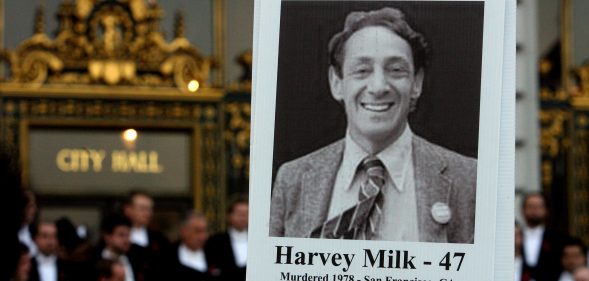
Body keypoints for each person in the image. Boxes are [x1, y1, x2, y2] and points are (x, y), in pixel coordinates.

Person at [270, 6, 476, 243]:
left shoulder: (468, 180)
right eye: (362, 70)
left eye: (396, 70)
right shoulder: (292, 179)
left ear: (416, 83)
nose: (378, 87)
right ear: (337, 83)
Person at [158, 211, 218, 281]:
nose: (203, 236)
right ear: (183, 231)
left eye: (205, 231)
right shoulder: (166, 256)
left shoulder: (216, 254)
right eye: (198, 231)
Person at [521, 193, 566, 281]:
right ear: (523, 210)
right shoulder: (516, 236)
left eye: (538, 207)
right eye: (530, 206)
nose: (534, 210)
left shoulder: (558, 238)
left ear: (546, 210)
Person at [206, 197, 248, 281]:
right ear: (228, 215)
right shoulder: (216, 241)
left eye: (247, 213)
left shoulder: (258, 241)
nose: (243, 217)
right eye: (239, 213)